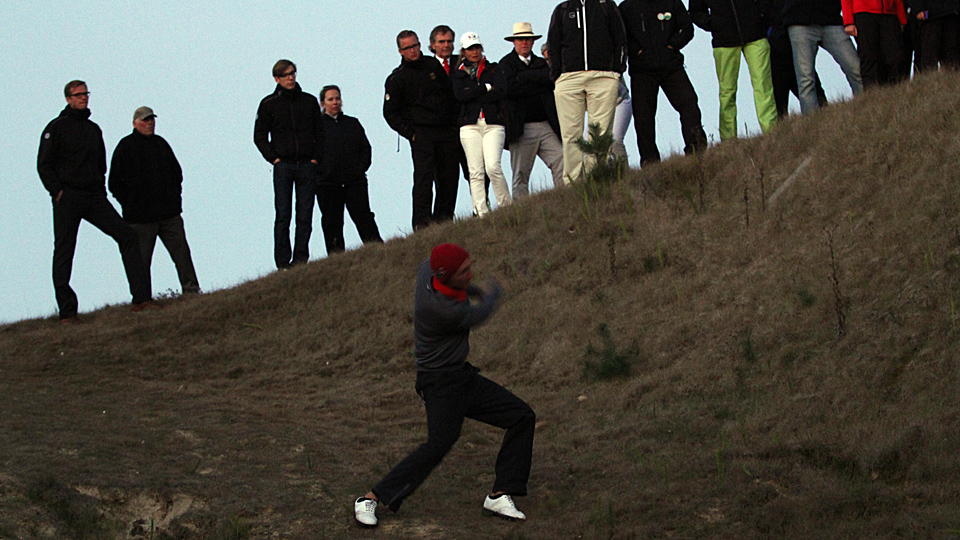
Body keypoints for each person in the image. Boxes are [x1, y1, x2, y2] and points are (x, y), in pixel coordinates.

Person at [353, 243, 536, 528]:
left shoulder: (428, 268)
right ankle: (371, 498)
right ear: (445, 275)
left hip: (461, 377)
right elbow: (481, 313)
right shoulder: (442, 310)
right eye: (464, 271)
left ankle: (501, 493)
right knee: (438, 444)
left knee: (521, 416)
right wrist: (495, 290)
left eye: (469, 265)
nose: (471, 272)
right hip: (439, 384)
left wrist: (473, 288)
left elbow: (455, 280)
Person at [37, 80, 157, 323]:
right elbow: (44, 164)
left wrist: (100, 190)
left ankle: (141, 299)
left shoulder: (93, 129)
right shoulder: (56, 128)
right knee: (64, 251)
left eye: (85, 94)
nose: (83, 98)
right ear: (68, 98)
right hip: (67, 197)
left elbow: (101, 164)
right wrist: (58, 192)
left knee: (127, 235)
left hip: (93, 196)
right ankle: (67, 313)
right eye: (78, 94)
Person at [108, 106, 200, 295]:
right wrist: (130, 203)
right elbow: (114, 183)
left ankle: (191, 291)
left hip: (169, 214)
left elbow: (177, 173)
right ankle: (143, 298)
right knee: (141, 262)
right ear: (135, 123)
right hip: (140, 218)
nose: (149, 123)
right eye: (145, 120)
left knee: (182, 254)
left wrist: (174, 199)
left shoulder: (161, 144)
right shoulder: (125, 146)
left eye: (151, 120)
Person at [384, 30, 461, 231]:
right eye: (408, 47)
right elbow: (390, 113)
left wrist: (454, 122)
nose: (413, 50)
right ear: (400, 51)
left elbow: (449, 93)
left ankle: (444, 220)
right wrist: (411, 134)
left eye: (415, 45)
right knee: (424, 180)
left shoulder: (432, 65)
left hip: (445, 131)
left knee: (450, 177)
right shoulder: (397, 78)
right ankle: (422, 225)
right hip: (421, 134)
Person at [254, 59, 325, 269]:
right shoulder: (269, 104)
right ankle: (283, 263)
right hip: (283, 166)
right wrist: (274, 159)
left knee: (305, 215)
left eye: (293, 73)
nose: (290, 78)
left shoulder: (309, 101)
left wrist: (315, 159)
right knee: (283, 215)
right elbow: (259, 136)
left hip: (306, 165)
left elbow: (320, 133)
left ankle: (301, 259)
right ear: (277, 79)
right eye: (285, 75)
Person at [620, 0, 709, 165]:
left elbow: (687, 28)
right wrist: (637, 51)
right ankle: (650, 161)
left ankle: (697, 150)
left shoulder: (672, 2)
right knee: (643, 117)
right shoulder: (626, 7)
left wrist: (672, 46)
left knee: (689, 103)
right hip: (642, 70)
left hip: (671, 66)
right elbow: (620, 36)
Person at [547, 0, 628, 182]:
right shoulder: (562, 9)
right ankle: (573, 183)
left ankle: (596, 178)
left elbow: (620, 39)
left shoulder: (606, 5)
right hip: (569, 79)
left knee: (600, 133)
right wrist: (558, 75)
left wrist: (616, 71)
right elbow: (553, 44)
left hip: (603, 77)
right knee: (570, 135)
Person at [690, 0, 778, 141]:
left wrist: (761, 16)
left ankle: (772, 132)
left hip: (755, 36)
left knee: (763, 86)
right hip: (725, 41)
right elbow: (695, 12)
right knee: (727, 92)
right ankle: (728, 141)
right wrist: (714, 23)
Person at [451, 32, 513, 217]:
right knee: (475, 171)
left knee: (493, 166)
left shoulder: (494, 69)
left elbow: (500, 92)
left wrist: (475, 92)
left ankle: (506, 206)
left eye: (477, 47)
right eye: (470, 49)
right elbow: (460, 96)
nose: (474, 52)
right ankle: (481, 213)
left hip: (493, 123)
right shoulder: (459, 73)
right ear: (464, 51)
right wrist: (484, 88)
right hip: (469, 126)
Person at [315, 86, 383, 254]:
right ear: (323, 103)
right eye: (330, 99)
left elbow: (365, 149)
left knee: (364, 217)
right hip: (328, 184)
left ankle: (379, 251)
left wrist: (359, 170)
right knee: (332, 223)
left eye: (337, 98)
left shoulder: (352, 123)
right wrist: (322, 173)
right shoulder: (316, 126)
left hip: (355, 181)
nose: (335, 102)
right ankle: (336, 259)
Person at [500, 22, 564, 197]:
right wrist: (537, 82)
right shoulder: (506, 63)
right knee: (520, 174)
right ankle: (520, 212)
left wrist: (524, 78)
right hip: (521, 127)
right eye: (520, 39)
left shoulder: (539, 63)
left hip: (545, 124)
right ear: (514, 42)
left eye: (527, 39)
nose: (524, 43)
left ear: (533, 41)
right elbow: (509, 89)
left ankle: (565, 200)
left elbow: (550, 80)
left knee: (561, 161)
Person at [782, 0, 862, 115]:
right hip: (799, 20)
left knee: (856, 68)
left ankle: (867, 110)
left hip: (831, 18)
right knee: (805, 79)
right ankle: (812, 125)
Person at [841, 0, 908, 87]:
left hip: (889, 14)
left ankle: (894, 91)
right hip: (863, 14)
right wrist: (848, 21)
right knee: (869, 58)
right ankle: (872, 94)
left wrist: (901, 19)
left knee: (895, 57)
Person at [909, 0, 960, 71]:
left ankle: (951, 78)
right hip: (930, 15)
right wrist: (918, 8)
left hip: (952, 13)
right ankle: (929, 79)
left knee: (952, 52)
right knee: (930, 53)